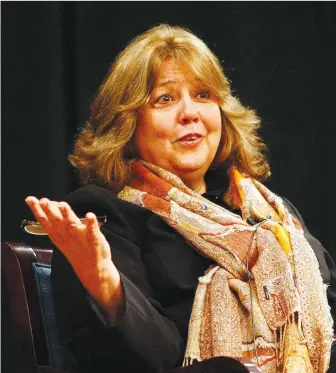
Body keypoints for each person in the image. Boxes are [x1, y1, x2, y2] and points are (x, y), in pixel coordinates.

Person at [25, 24, 336, 373]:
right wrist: (110, 289)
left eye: (203, 95)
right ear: (127, 123)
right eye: (165, 99)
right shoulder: (103, 213)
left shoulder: (270, 214)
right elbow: (152, 359)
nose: (190, 113)